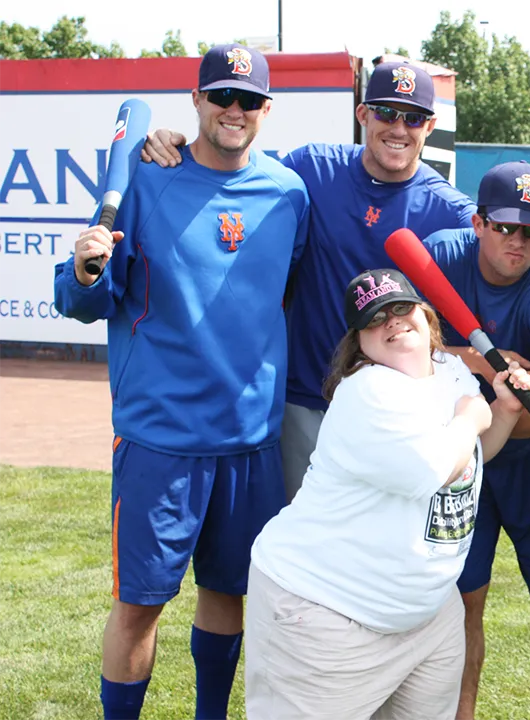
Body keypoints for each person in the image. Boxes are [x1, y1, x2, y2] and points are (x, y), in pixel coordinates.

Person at [140, 60, 530, 503]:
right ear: (362, 115)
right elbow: (238, 172)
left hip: (396, 409)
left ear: (429, 126)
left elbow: (510, 242)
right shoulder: (312, 168)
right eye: (386, 112)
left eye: (413, 117)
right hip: (307, 399)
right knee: (307, 539)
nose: (399, 127)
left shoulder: (448, 207)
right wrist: (176, 143)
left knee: (381, 546)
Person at [53, 45, 309, 720]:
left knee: (229, 593)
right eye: (221, 96)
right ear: (195, 101)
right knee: (139, 606)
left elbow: (281, 290)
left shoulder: (287, 192)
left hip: (250, 441)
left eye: (249, 100)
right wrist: (82, 271)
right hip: (160, 441)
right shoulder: (141, 180)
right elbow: (81, 299)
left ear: (267, 111)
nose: (234, 110)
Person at [244, 268, 530, 719]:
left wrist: (505, 412)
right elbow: (434, 467)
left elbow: (468, 458)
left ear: (426, 315)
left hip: (427, 614)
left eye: (402, 308)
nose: (393, 321)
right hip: (326, 613)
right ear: (359, 342)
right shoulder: (368, 392)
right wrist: (474, 415)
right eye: (375, 318)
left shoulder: (451, 371)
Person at [423, 162, 530, 720]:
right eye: (504, 227)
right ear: (478, 222)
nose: (518, 241)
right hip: (463, 465)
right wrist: (476, 358)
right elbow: (375, 337)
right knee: (462, 601)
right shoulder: (441, 256)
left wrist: (481, 423)